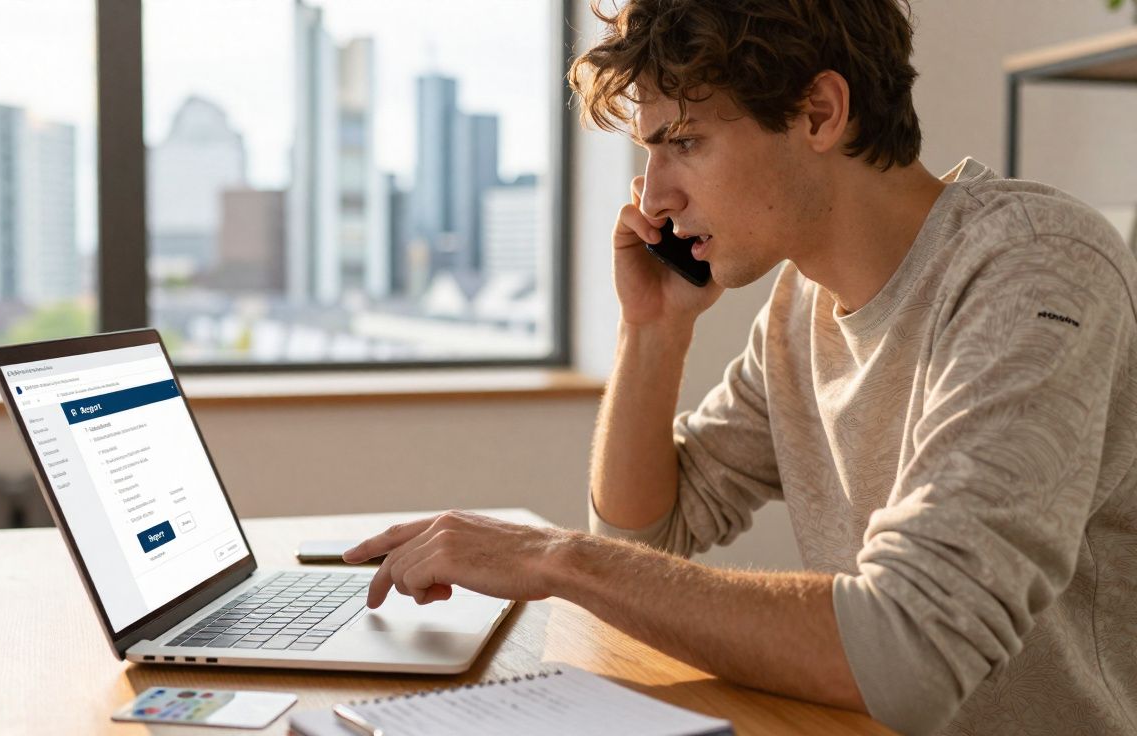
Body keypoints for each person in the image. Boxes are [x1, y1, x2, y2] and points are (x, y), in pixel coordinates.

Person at [342, 1, 1137, 733]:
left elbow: (912, 648)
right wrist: (651, 333)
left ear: (819, 113)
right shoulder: (801, 305)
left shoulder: (1035, 267)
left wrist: (551, 559)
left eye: (683, 143)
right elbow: (646, 531)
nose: (653, 199)